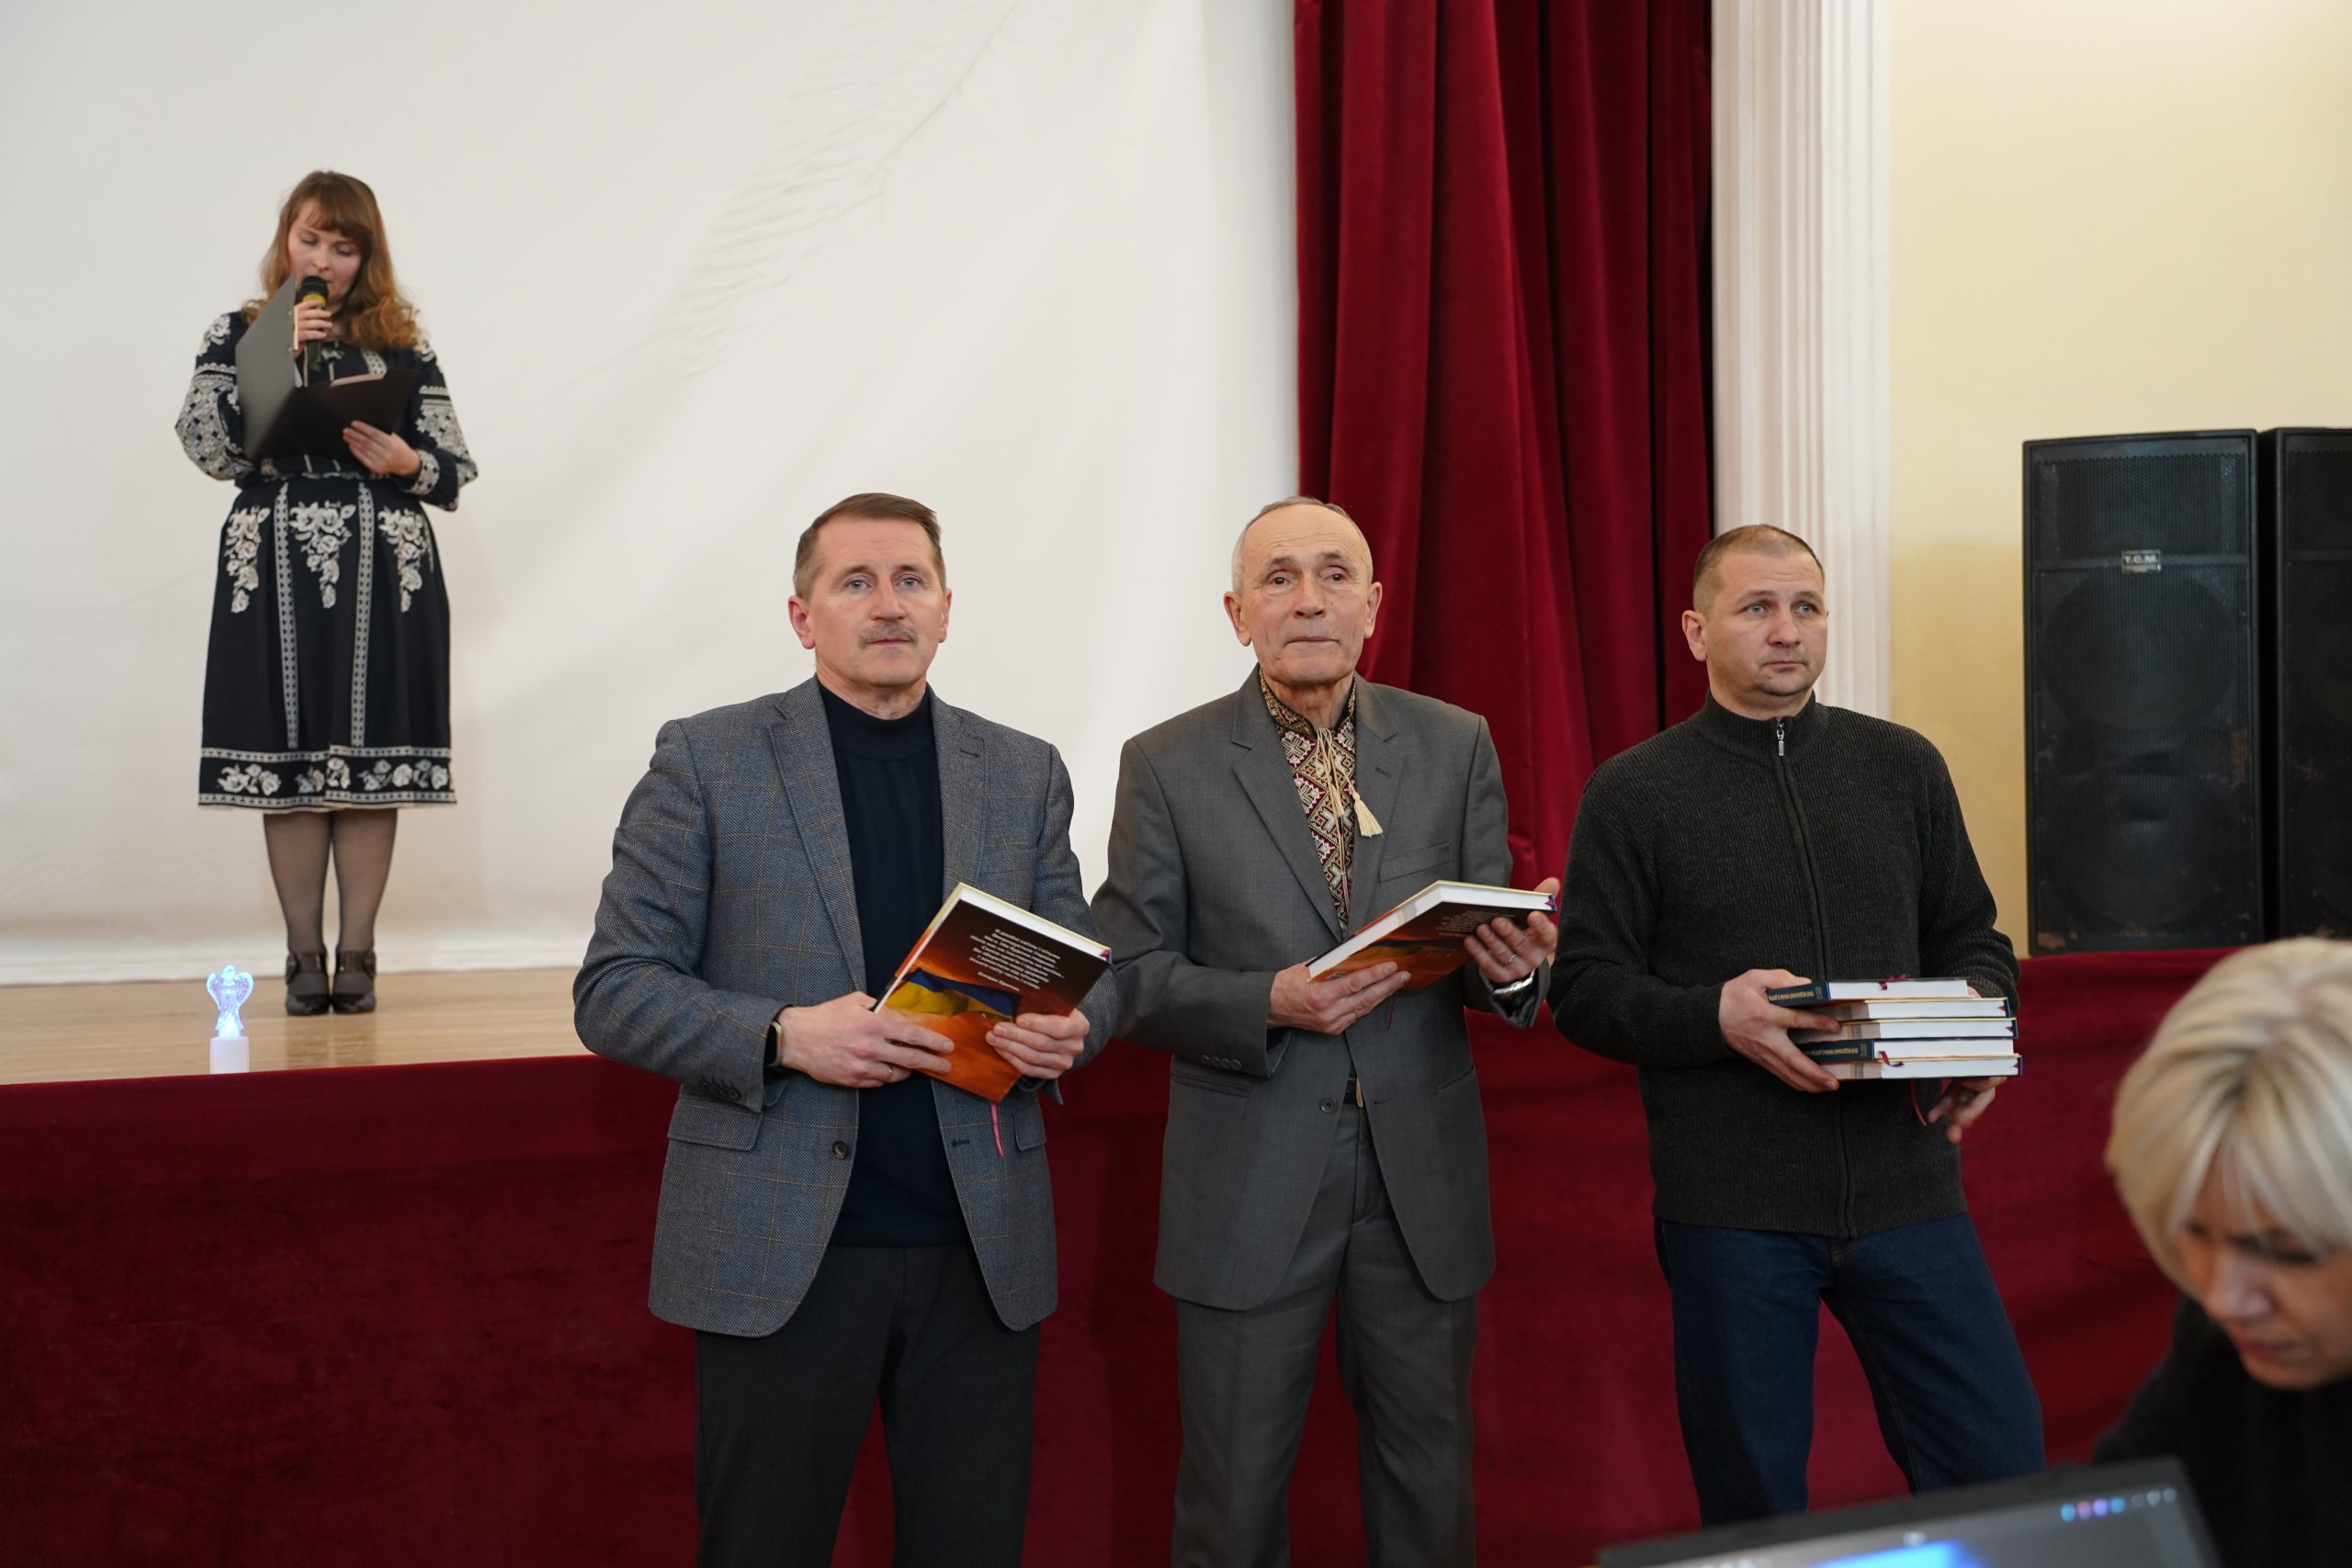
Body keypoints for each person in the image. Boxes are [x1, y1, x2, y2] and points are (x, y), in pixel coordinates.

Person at [574, 493, 1115, 1568]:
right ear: (801, 615)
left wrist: (1074, 1031)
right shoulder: (708, 759)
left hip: (977, 1250)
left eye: (910, 581)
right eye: (854, 582)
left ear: (947, 608)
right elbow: (615, 988)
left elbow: (1078, 969)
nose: (887, 605)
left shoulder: (1023, 772)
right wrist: (783, 1035)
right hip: (782, 1248)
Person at [1091, 497, 1556, 1568]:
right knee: (1232, 1504)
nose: (1309, 600)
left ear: (1373, 604)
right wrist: (1268, 1001)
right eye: (1279, 578)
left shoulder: (1454, 744)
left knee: (1429, 1495)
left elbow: (1486, 956)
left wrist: (1513, 971)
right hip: (1247, 1174)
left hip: (1418, 1175)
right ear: (1236, 612)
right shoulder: (1165, 763)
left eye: (1334, 575)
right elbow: (1129, 975)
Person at [1548, 524, 2043, 1525]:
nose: (1787, 630)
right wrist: (1714, 1014)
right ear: (1696, 631)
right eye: (1758, 608)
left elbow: (1974, 940)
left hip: (1909, 1192)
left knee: (1999, 1465)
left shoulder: (1902, 766)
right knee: (1754, 1505)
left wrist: (1978, 1035)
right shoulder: (1633, 792)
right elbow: (1586, 989)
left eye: (1806, 607)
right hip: (1734, 1211)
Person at [176, 171, 478, 1014]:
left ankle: (359, 954)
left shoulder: (403, 346)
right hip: (270, 564)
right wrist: (274, 350)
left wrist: (407, 461)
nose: (324, 260)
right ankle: (302, 953)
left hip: (386, 567)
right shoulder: (238, 333)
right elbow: (208, 446)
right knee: (290, 762)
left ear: (365, 257)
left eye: (343, 248)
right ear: (286, 239)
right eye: (310, 240)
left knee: (370, 763)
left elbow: (454, 466)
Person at [2096, 938, 2352, 1567]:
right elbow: (2117, 1522)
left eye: (2290, 1251)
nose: (2222, 1298)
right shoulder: (2229, 1342)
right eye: (2195, 1232)